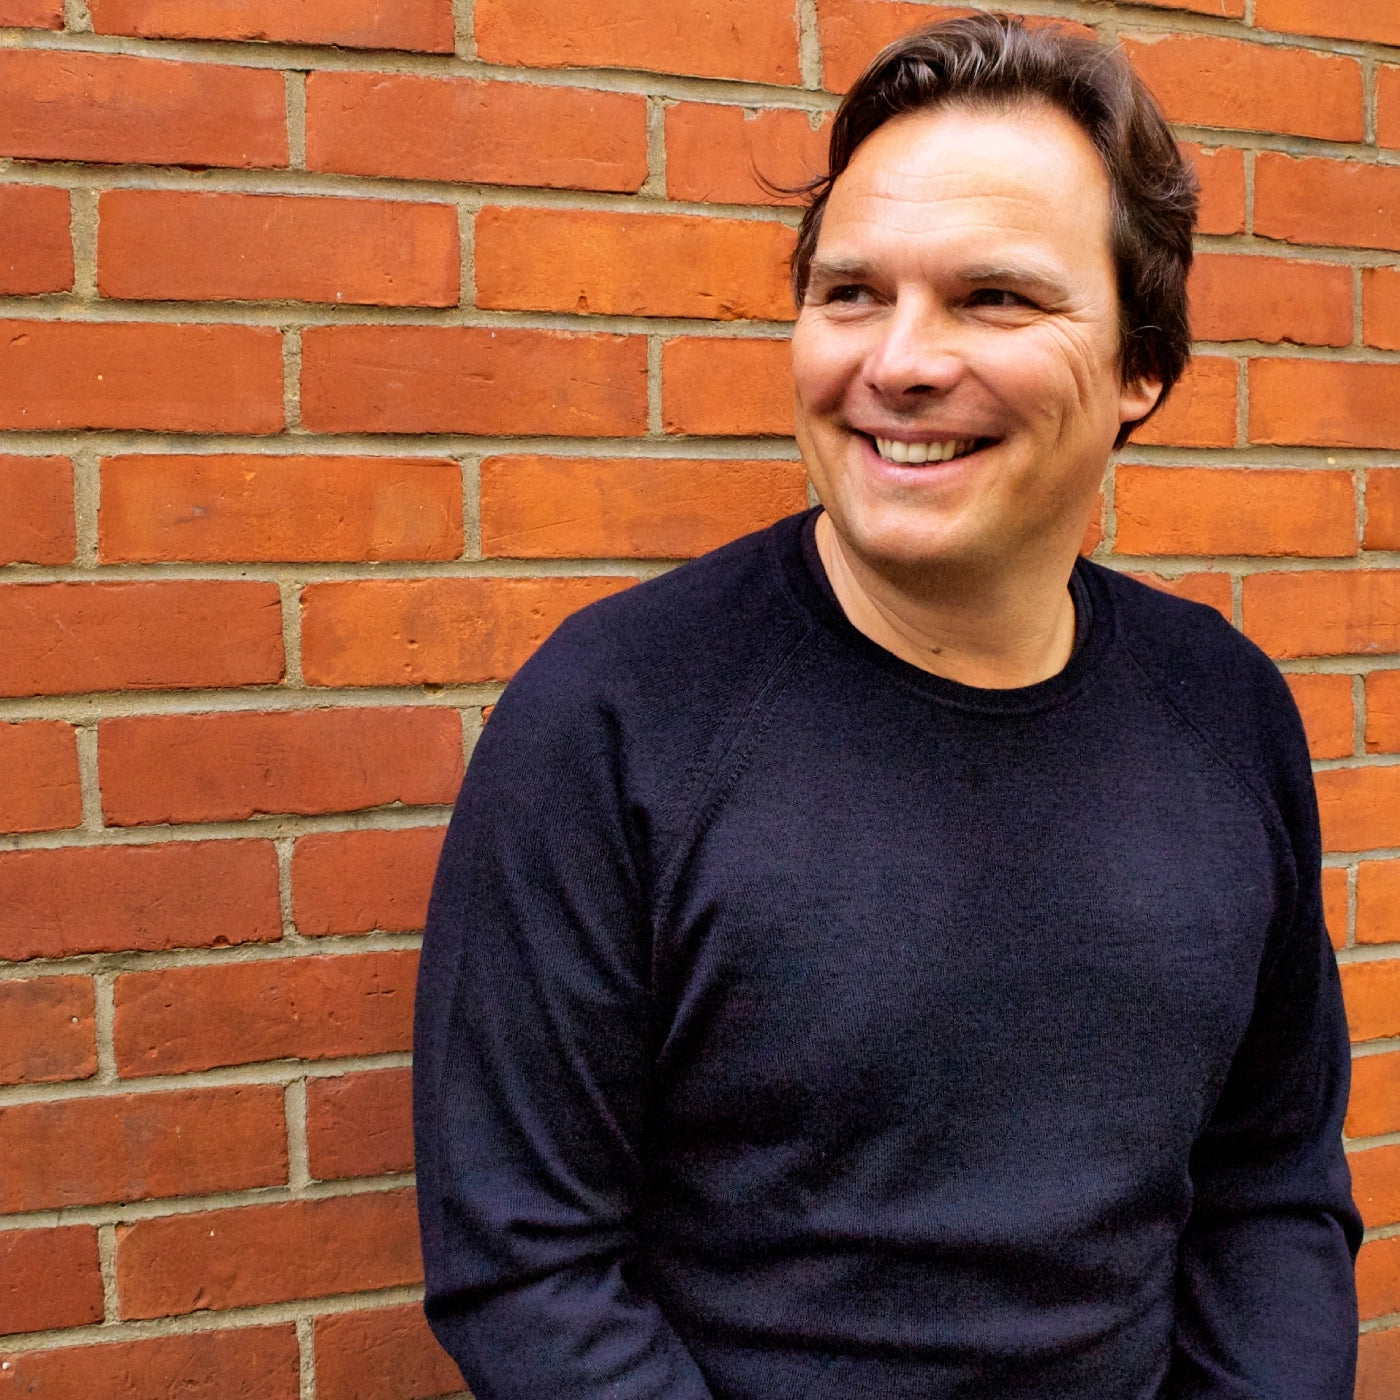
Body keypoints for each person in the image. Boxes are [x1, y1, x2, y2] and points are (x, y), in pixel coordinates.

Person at [413, 14, 1361, 1399]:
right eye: (851, 293)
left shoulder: (1225, 709)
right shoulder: (616, 717)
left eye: (993, 299)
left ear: (1145, 366)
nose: (900, 361)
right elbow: (525, 1264)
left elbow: (1272, 1182)